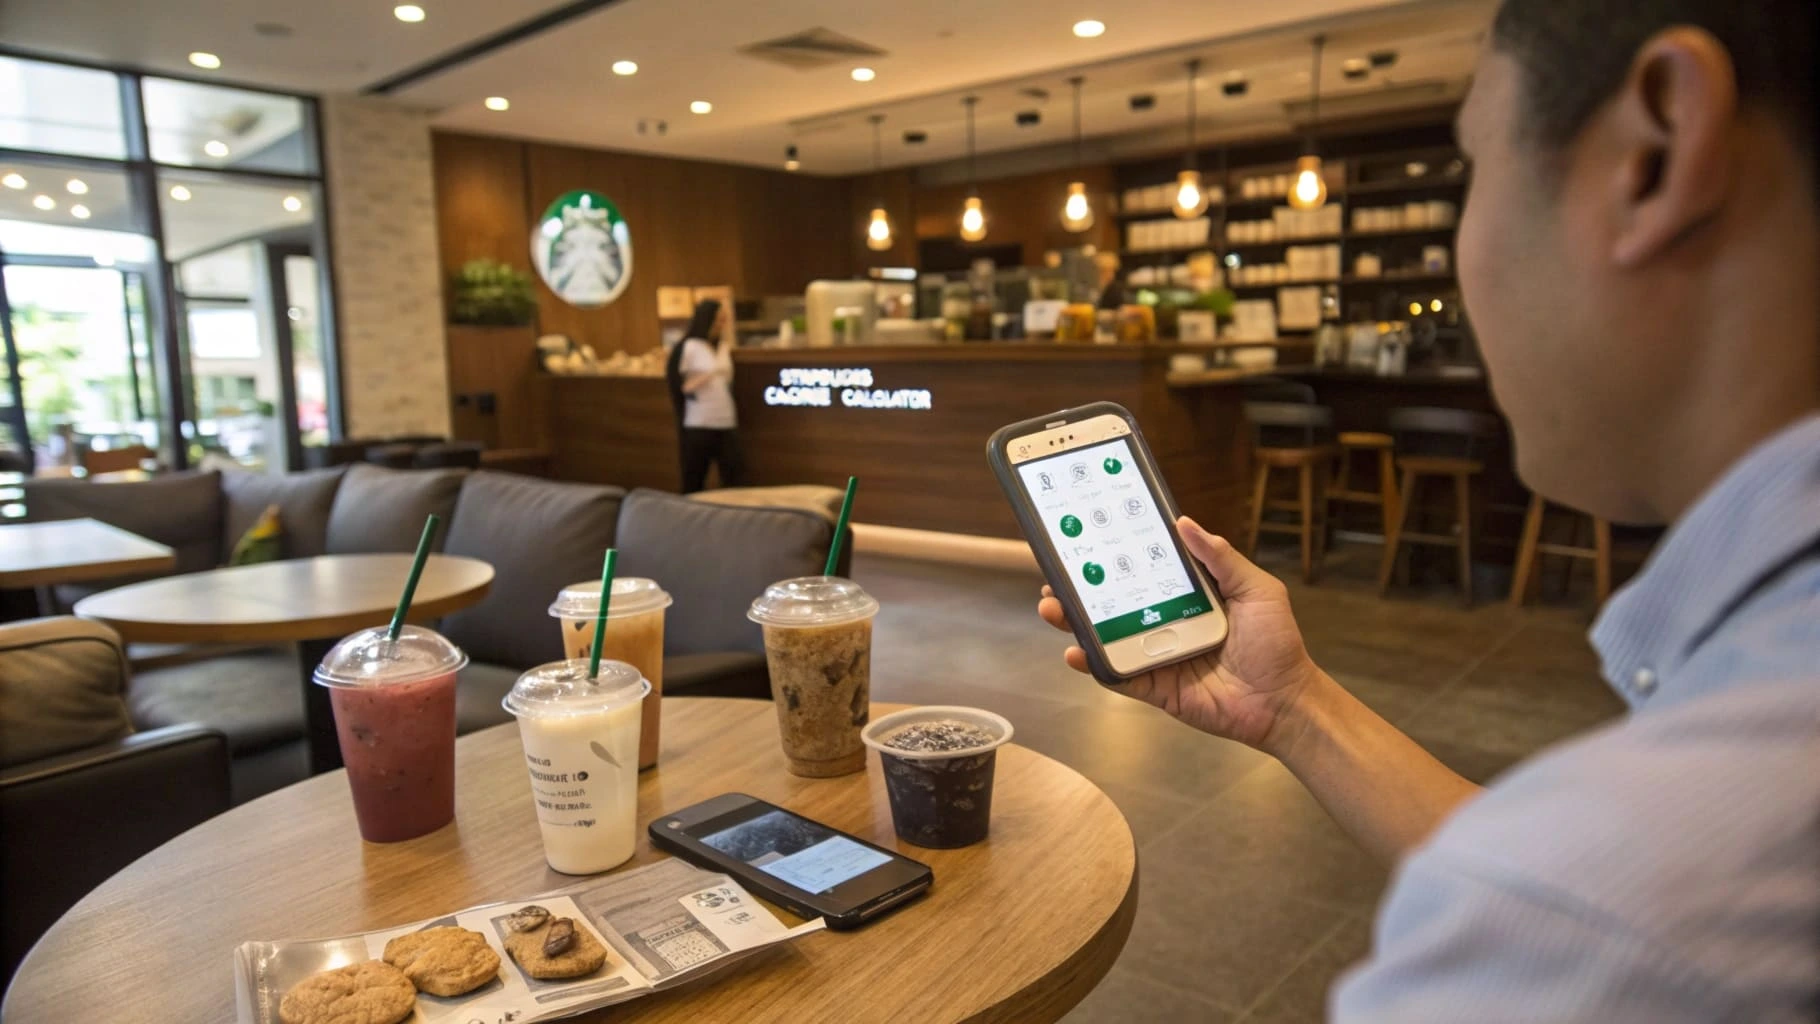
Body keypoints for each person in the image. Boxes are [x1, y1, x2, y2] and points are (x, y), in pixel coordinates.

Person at [1037, 2, 1818, 1019]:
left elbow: (1581, 898)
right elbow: (1558, 868)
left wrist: (1537, 895)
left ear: (1655, 152)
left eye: (1472, 169)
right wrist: (1297, 705)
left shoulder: (1631, 914)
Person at [664, 299, 744, 493]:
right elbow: (680, 385)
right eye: (717, 320)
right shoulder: (689, 347)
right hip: (699, 421)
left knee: (735, 476)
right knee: (695, 477)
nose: (720, 325)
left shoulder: (723, 347)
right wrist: (707, 376)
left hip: (725, 419)